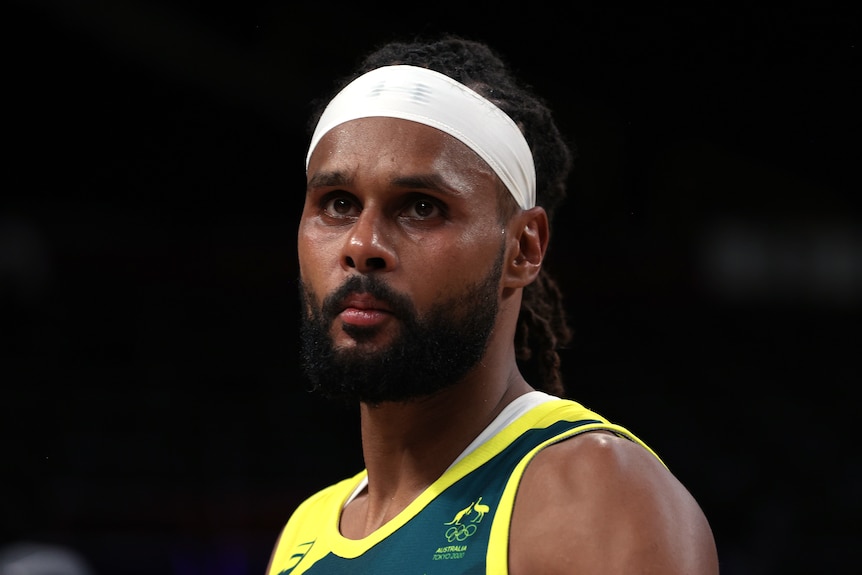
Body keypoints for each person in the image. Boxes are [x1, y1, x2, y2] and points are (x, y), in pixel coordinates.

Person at [266, 34, 719, 575]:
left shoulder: (595, 498)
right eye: (338, 204)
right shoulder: (303, 534)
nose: (362, 247)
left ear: (524, 248)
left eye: (421, 207)